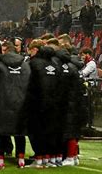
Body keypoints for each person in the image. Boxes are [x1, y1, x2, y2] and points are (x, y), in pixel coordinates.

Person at [0, 41, 30, 169]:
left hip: (3, 102)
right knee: (20, 132)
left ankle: (1, 161)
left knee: (3, 132)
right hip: (21, 102)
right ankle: (21, 160)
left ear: (4, 51)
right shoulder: (25, 66)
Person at [28, 39, 63, 168]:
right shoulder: (56, 64)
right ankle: (50, 159)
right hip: (54, 104)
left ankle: (39, 159)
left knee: (37, 132)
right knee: (50, 131)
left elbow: (29, 84)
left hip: (36, 103)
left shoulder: (33, 63)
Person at [57, 43, 85, 167]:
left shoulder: (67, 68)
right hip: (76, 102)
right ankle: (73, 156)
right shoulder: (75, 67)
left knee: (69, 132)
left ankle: (70, 156)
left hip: (69, 102)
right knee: (73, 131)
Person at [79, 48, 98, 129]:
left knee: (88, 106)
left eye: (83, 55)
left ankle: (89, 124)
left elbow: (84, 73)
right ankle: (85, 123)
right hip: (85, 88)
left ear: (88, 54)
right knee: (84, 106)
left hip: (90, 88)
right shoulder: (85, 63)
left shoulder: (91, 63)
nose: (82, 57)